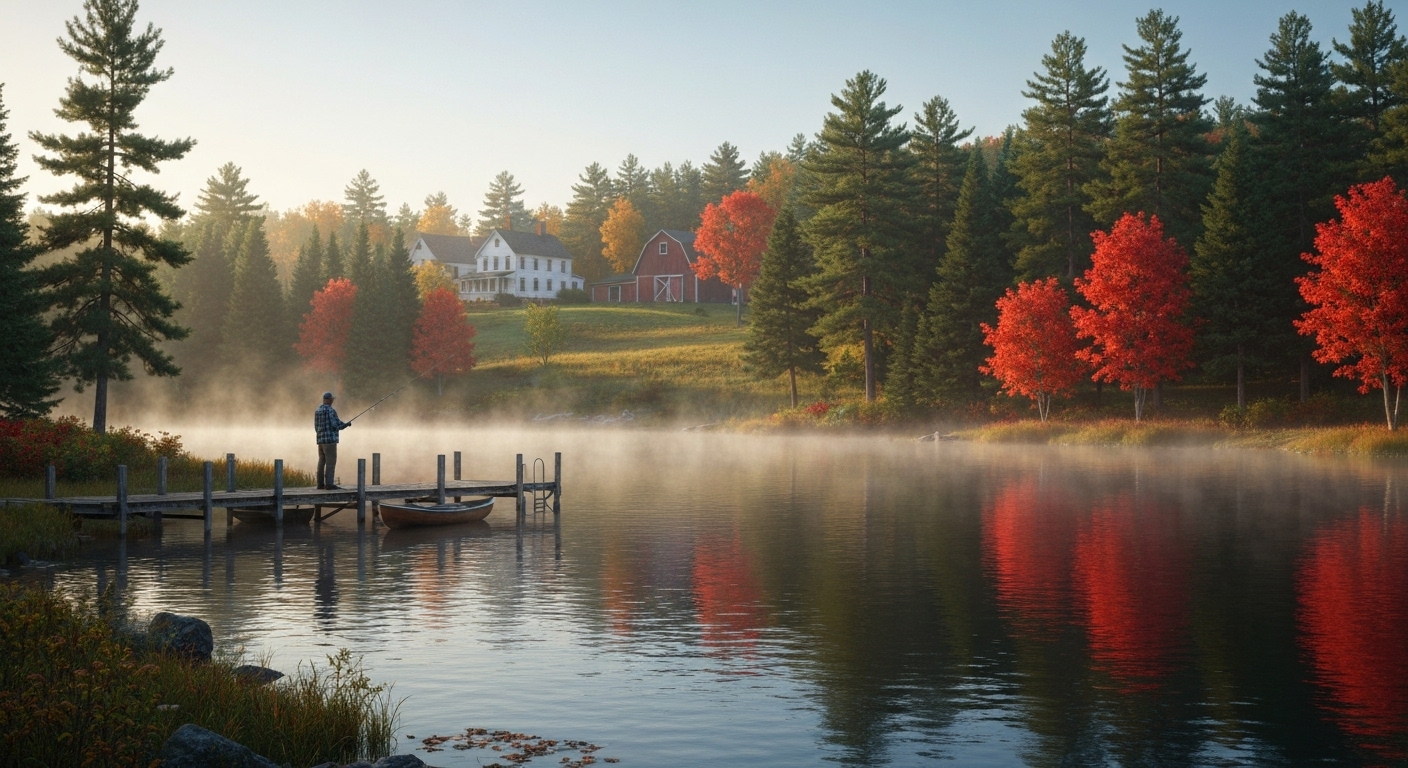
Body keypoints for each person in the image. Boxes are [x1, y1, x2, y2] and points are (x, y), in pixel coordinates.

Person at [314, 391, 351, 489]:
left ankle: (320, 484)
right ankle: (329, 484)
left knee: (321, 462)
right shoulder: (330, 410)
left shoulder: (318, 410)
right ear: (329, 400)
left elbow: (316, 427)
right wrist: (346, 425)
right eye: (332, 399)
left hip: (320, 441)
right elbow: (335, 425)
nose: (333, 401)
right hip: (330, 441)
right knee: (331, 462)